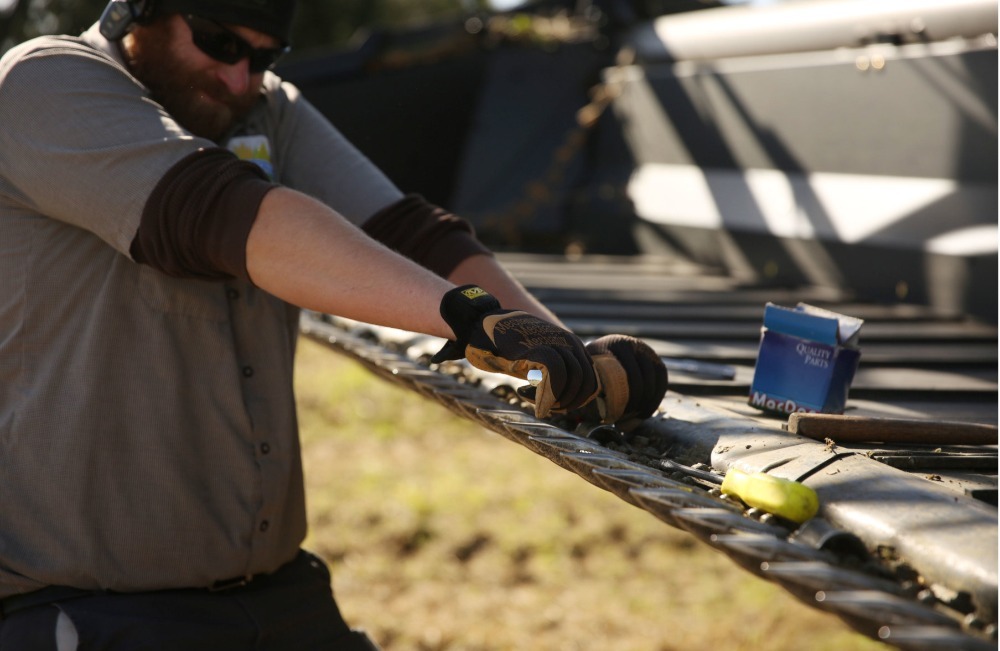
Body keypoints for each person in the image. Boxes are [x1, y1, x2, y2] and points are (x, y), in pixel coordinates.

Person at [0, 0, 668, 648]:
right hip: (92, 613)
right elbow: (218, 215)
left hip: (281, 596)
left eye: (262, 57)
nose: (239, 77)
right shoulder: (41, 82)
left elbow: (407, 233)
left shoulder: (267, 107)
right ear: (138, 11)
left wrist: (557, 349)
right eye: (219, 42)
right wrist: (466, 317)